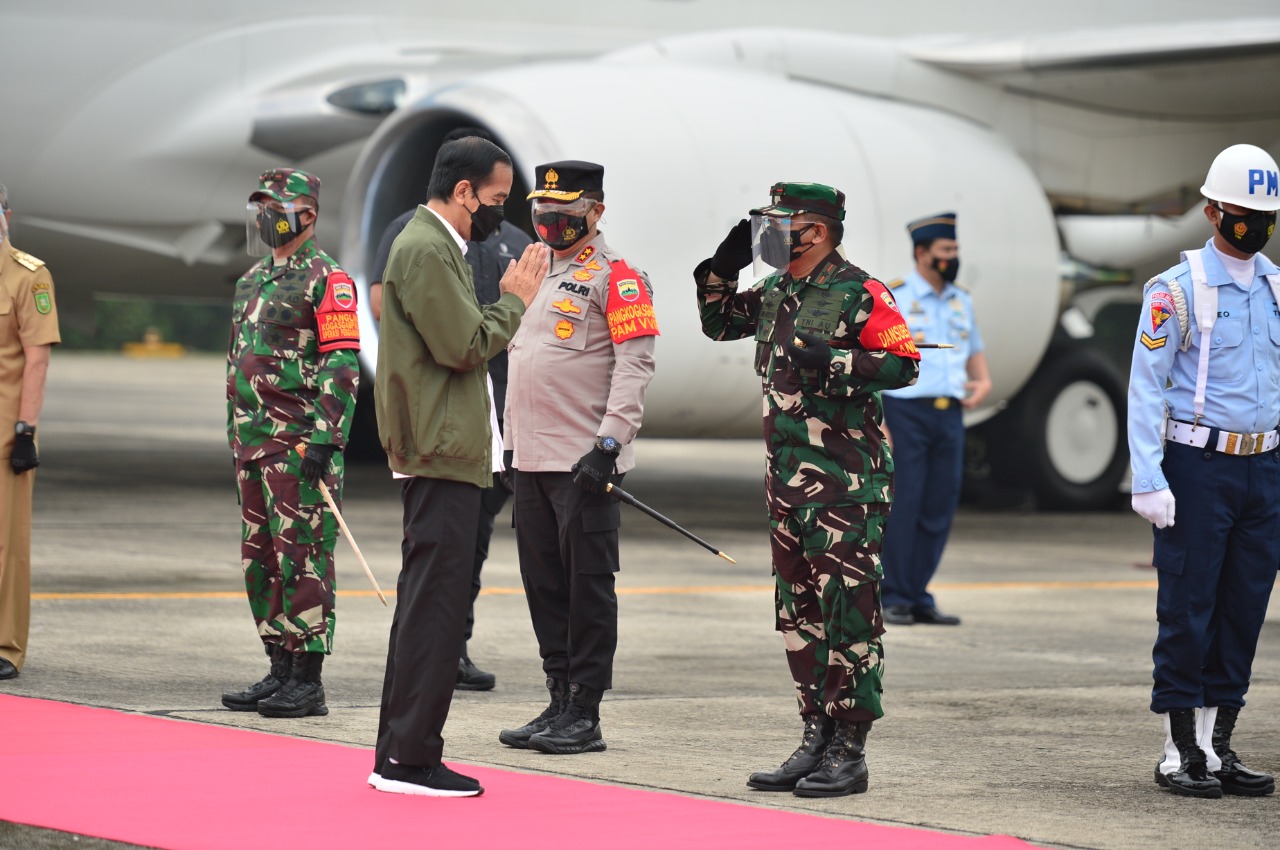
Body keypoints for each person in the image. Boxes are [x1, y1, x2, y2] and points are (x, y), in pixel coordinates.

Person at [694, 182, 920, 797]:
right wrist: (721, 267)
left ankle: (850, 748)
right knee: (801, 615)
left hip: (846, 482)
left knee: (850, 612)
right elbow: (718, 323)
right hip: (788, 484)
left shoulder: (860, 290)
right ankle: (815, 735)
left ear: (815, 230)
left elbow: (905, 363)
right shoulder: (777, 289)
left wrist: (840, 362)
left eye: (780, 223)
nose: (770, 233)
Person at [371, 136, 548, 797]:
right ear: (465, 190)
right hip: (442, 453)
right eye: (495, 201)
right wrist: (515, 298)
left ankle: (398, 753)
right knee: (436, 610)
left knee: (425, 607)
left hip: (447, 447)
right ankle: (412, 759)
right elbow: (466, 346)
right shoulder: (427, 246)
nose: (498, 216)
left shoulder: (436, 244)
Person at [1127, 143, 1280, 800]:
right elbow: (1145, 387)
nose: (1252, 223)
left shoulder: (1277, 289)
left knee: (1244, 607)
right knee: (1189, 608)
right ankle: (1179, 748)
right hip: (1197, 465)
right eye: (1241, 211)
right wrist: (1149, 477)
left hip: (1263, 464)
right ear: (1213, 211)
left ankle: (1219, 745)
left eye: (1264, 214)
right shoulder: (1176, 291)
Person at [498, 161, 658, 756]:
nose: (550, 223)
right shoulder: (530, 272)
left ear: (595, 212)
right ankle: (557, 695)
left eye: (564, 214)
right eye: (542, 212)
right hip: (531, 459)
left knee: (586, 586)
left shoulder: (618, 278)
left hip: (584, 463)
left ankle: (585, 711)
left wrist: (610, 445)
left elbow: (634, 366)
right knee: (543, 585)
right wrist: (509, 446)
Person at [221, 169, 361, 719]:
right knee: (261, 560)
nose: (266, 217)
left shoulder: (330, 280)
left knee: (303, 556)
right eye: (262, 207)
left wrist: (326, 440)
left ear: (309, 214)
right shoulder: (250, 280)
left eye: (278, 206)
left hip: (299, 447)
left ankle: (308, 679)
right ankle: (278, 665)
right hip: (252, 445)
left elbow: (342, 363)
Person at [879, 213, 990, 627]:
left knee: (938, 505)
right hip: (906, 410)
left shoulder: (962, 299)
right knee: (904, 504)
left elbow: (973, 347)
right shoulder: (897, 297)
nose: (953, 258)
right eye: (946, 251)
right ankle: (894, 594)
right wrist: (880, 420)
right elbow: (878, 357)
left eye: (956, 251)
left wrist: (982, 380)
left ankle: (919, 592)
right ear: (922, 253)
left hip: (950, 412)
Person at [0, 184, 61, 681]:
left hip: (4, 432)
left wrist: (26, 431)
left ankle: (6, 645)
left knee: (7, 542)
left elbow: (36, 359)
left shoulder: (27, 276)